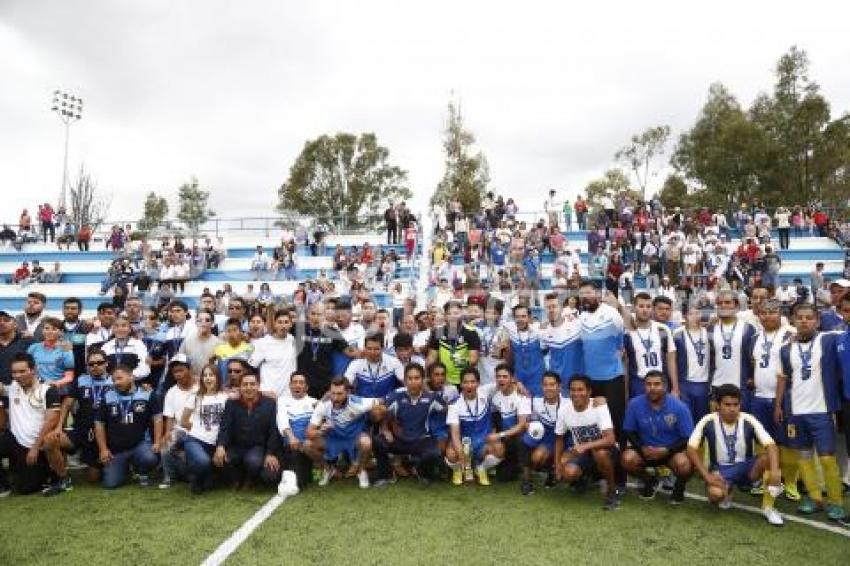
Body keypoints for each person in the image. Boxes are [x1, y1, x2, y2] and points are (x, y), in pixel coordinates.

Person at [775, 303, 846, 520]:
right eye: (800, 317)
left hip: (822, 411)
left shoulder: (828, 339)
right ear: (793, 320)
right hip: (796, 412)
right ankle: (814, 498)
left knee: (827, 458)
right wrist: (778, 405)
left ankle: (836, 501)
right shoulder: (785, 350)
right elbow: (782, 379)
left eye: (809, 317)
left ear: (817, 321)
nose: (804, 321)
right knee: (804, 457)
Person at [687, 384, 783, 526]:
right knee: (715, 495)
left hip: (746, 468)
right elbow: (691, 448)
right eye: (727, 404)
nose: (732, 409)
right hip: (721, 470)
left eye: (735, 404)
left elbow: (771, 445)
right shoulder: (708, 421)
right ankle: (727, 491)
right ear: (718, 405)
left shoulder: (748, 419)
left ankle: (768, 508)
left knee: (769, 459)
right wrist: (706, 476)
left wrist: (775, 471)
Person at [621, 370, 694, 504]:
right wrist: (642, 448)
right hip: (645, 451)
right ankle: (649, 480)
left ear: (665, 386)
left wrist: (667, 450)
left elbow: (686, 437)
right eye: (648, 384)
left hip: (670, 452)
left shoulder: (679, 407)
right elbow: (629, 431)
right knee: (627, 459)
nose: (652, 388)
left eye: (657, 384)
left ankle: (679, 489)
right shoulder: (634, 404)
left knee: (684, 464)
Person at [0, 353, 68, 495]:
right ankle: (3, 485)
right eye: (14, 372)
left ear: (33, 370)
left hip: (36, 445)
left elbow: (51, 421)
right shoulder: (13, 387)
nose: (17, 375)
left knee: (26, 489)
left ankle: (48, 473)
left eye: (22, 371)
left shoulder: (47, 390)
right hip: (14, 439)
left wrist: (35, 448)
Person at [372, 363, 446, 487]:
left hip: (421, 440)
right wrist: (384, 428)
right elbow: (381, 413)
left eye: (417, 378)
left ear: (423, 380)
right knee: (378, 441)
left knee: (434, 453)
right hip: (399, 440)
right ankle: (386, 476)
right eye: (410, 379)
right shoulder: (396, 396)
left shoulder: (432, 398)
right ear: (405, 380)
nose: (413, 382)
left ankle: (422, 472)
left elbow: (448, 410)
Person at [553, 374, 619, 509]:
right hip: (583, 453)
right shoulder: (564, 410)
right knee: (568, 471)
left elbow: (610, 439)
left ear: (589, 391)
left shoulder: (598, 406)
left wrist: (586, 446)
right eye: (573, 390)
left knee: (599, 453)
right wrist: (558, 466)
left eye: (580, 389)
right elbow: (559, 439)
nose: (577, 393)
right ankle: (585, 479)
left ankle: (612, 491)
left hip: (607, 451)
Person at [95, 365, 162, 488]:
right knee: (110, 483)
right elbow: (99, 424)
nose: (116, 382)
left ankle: (141, 471)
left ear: (131, 377)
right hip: (117, 451)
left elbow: (157, 418)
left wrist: (157, 442)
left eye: (120, 378)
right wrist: (103, 449)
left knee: (150, 458)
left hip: (140, 445)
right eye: (114, 380)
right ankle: (125, 468)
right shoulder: (107, 396)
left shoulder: (146, 393)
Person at [304, 376, 379, 489]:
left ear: (348, 392)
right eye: (333, 393)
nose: (335, 397)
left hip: (354, 438)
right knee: (307, 445)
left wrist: (379, 422)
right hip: (334, 439)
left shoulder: (359, 402)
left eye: (339, 394)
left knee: (366, 442)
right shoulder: (323, 404)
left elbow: (382, 403)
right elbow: (309, 432)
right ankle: (329, 470)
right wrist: (321, 431)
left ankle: (361, 470)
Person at [578, 282, 627, 451]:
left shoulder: (611, 314)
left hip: (612, 377)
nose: (585, 296)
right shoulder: (580, 318)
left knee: (616, 420)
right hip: (591, 380)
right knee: (597, 423)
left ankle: (622, 468)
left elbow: (621, 343)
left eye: (589, 292)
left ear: (597, 294)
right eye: (582, 293)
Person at [213, 371, 281, 488]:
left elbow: (273, 431)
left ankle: (251, 478)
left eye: (252, 384)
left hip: (257, 447)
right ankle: (237, 477)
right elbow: (225, 427)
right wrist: (220, 446)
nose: (249, 387)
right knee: (220, 460)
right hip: (236, 446)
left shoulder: (269, 404)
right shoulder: (231, 403)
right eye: (245, 384)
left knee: (255, 464)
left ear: (258, 386)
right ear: (240, 387)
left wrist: (270, 453)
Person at [53, 349, 113, 483]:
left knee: (94, 478)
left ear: (106, 363)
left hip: (105, 432)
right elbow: (67, 404)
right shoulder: (80, 380)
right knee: (51, 440)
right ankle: (61, 476)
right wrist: (58, 427)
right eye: (91, 364)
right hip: (82, 429)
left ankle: (100, 464)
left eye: (99, 362)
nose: (95, 366)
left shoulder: (115, 380)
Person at [445, 367, 504, 486]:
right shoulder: (454, 405)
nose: (469, 385)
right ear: (461, 384)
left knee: (500, 449)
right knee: (451, 455)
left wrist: (519, 385)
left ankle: (481, 468)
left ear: (478, 383)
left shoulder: (485, 392)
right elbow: (455, 434)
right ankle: (458, 470)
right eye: (465, 382)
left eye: (472, 382)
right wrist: (462, 456)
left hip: (483, 443)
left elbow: (503, 383)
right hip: (464, 444)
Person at [181, 364, 229, 494]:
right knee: (203, 462)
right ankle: (194, 476)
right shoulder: (195, 396)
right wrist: (198, 430)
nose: (208, 378)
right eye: (205, 375)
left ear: (218, 378)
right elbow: (183, 421)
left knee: (209, 485)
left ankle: (206, 477)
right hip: (195, 440)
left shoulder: (225, 397)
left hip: (215, 443)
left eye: (211, 375)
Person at [708, 290, 756, 411]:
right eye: (720, 303)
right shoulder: (711, 328)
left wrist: (752, 377)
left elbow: (754, 357)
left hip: (741, 386)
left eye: (728, 302)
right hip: (717, 386)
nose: (723, 305)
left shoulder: (747, 329)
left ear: (736, 305)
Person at [624, 293, 678, 399]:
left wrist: (675, 388)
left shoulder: (663, 329)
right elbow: (625, 364)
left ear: (652, 309)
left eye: (648, 306)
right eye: (641, 306)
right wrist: (625, 392)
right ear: (634, 308)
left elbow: (671, 360)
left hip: (660, 382)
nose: (645, 310)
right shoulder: (627, 333)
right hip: (638, 383)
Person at [518, 372, 563, 495]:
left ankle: (555, 472)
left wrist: (599, 399)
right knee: (525, 444)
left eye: (552, 384)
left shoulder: (567, 403)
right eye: (545, 385)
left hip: (564, 437)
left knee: (565, 463)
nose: (548, 388)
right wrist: (528, 423)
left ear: (559, 386)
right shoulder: (536, 401)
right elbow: (529, 418)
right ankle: (527, 480)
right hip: (545, 434)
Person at [159, 354, 197, 488]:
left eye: (181, 370)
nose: (178, 374)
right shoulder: (171, 392)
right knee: (167, 443)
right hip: (180, 430)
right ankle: (169, 476)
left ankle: (191, 473)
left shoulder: (200, 388)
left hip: (198, 430)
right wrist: (167, 433)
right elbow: (169, 417)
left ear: (189, 369)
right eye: (175, 371)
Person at [276, 372, 317, 490]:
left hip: (307, 447)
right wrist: (291, 437)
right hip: (291, 446)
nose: (297, 385)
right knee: (294, 480)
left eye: (301, 383)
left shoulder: (314, 402)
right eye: (294, 382)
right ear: (290, 386)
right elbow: (282, 421)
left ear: (306, 387)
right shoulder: (283, 401)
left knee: (302, 481)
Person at [427, 300, 481, 387]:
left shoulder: (471, 332)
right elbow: (431, 357)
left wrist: (461, 362)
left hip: (465, 381)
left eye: (456, 313)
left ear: (462, 314)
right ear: (445, 316)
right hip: (443, 380)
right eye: (449, 314)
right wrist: (428, 377)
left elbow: (474, 359)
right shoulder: (438, 331)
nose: (453, 316)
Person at [673, 307, 710, 423]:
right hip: (685, 382)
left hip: (703, 382)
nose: (694, 316)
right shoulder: (677, 334)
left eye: (697, 313)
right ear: (685, 317)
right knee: (686, 418)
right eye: (691, 313)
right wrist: (676, 387)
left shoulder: (708, 333)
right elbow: (672, 359)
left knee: (702, 419)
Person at [248, 310, 297, 398]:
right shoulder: (262, 343)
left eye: (286, 322)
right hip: (267, 394)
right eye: (280, 322)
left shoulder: (293, 340)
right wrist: (261, 391)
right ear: (274, 324)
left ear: (291, 324)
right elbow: (251, 368)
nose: (283, 326)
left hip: (288, 396)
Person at [540, 293, 583, 394]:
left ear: (561, 308)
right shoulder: (543, 332)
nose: (551, 310)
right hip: (558, 387)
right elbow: (544, 354)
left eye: (554, 306)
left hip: (578, 385)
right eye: (548, 307)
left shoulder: (576, 324)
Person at [344, 332, 404, 399]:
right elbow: (345, 384)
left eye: (376, 349)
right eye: (369, 349)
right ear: (364, 348)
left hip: (387, 402)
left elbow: (406, 382)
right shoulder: (356, 363)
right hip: (363, 404)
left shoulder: (393, 362)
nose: (372, 352)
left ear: (383, 348)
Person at [504, 304, 547, 397]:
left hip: (538, 380)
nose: (520, 319)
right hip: (519, 381)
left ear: (529, 317)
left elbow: (545, 351)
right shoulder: (510, 332)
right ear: (514, 318)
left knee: (538, 409)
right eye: (517, 317)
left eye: (523, 316)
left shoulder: (538, 332)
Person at [26, 317, 75, 391]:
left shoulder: (66, 349)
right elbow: (26, 368)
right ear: (42, 330)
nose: (49, 331)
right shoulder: (33, 348)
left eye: (54, 329)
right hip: (35, 388)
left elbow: (69, 376)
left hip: (57, 389)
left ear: (61, 332)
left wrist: (55, 383)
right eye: (46, 328)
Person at [100, 315, 151, 385]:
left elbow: (145, 369)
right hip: (110, 384)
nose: (120, 329)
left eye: (124, 326)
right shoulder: (106, 347)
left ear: (130, 329)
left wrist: (126, 378)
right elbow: (102, 367)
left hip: (133, 384)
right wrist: (112, 379)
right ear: (113, 329)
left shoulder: (139, 344)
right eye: (116, 326)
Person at [178, 309, 221, 378]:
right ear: (196, 322)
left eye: (207, 320)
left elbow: (220, 368)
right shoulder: (187, 340)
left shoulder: (218, 343)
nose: (203, 323)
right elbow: (180, 363)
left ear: (212, 323)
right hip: (190, 381)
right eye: (200, 320)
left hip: (209, 382)